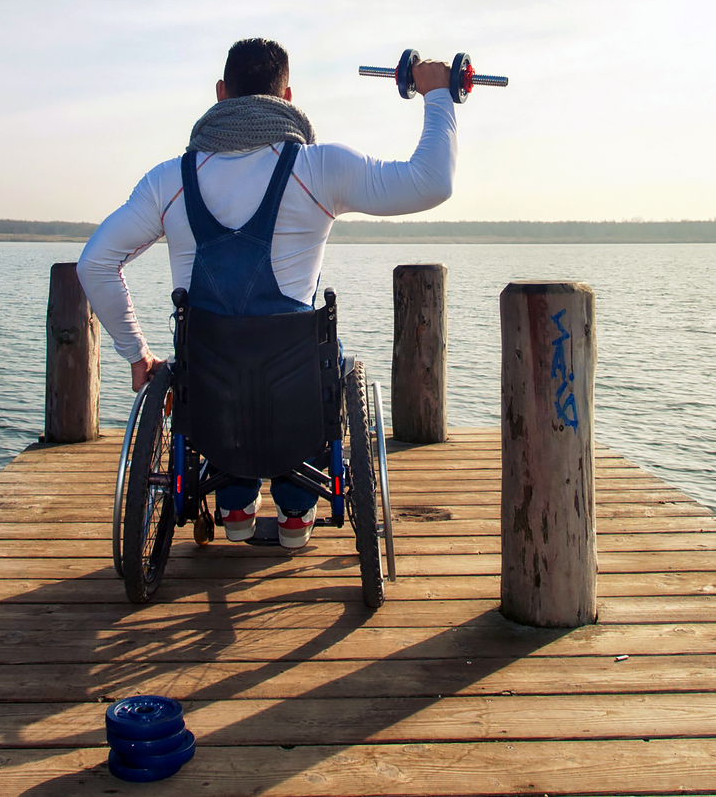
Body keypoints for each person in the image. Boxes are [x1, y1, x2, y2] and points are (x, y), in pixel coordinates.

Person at [78, 38, 455, 548]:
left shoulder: (169, 180)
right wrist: (436, 94)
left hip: (209, 389)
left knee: (209, 361)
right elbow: (430, 183)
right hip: (296, 385)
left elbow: (95, 264)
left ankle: (233, 502)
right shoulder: (320, 169)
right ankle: (297, 510)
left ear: (220, 94)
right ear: (288, 96)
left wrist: (136, 354)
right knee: (320, 358)